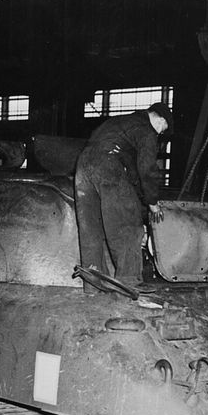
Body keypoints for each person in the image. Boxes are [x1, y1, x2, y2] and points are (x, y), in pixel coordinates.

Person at [74, 102, 173, 292]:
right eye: (163, 129)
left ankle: (92, 285)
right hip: (108, 163)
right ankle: (129, 282)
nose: (160, 133)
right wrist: (152, 202)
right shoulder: (146, 130)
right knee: (128, 221)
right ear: (160, 119)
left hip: (83, 166)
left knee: (90, 227)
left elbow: (133, 170)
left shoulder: (122, 122)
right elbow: (147, 168)